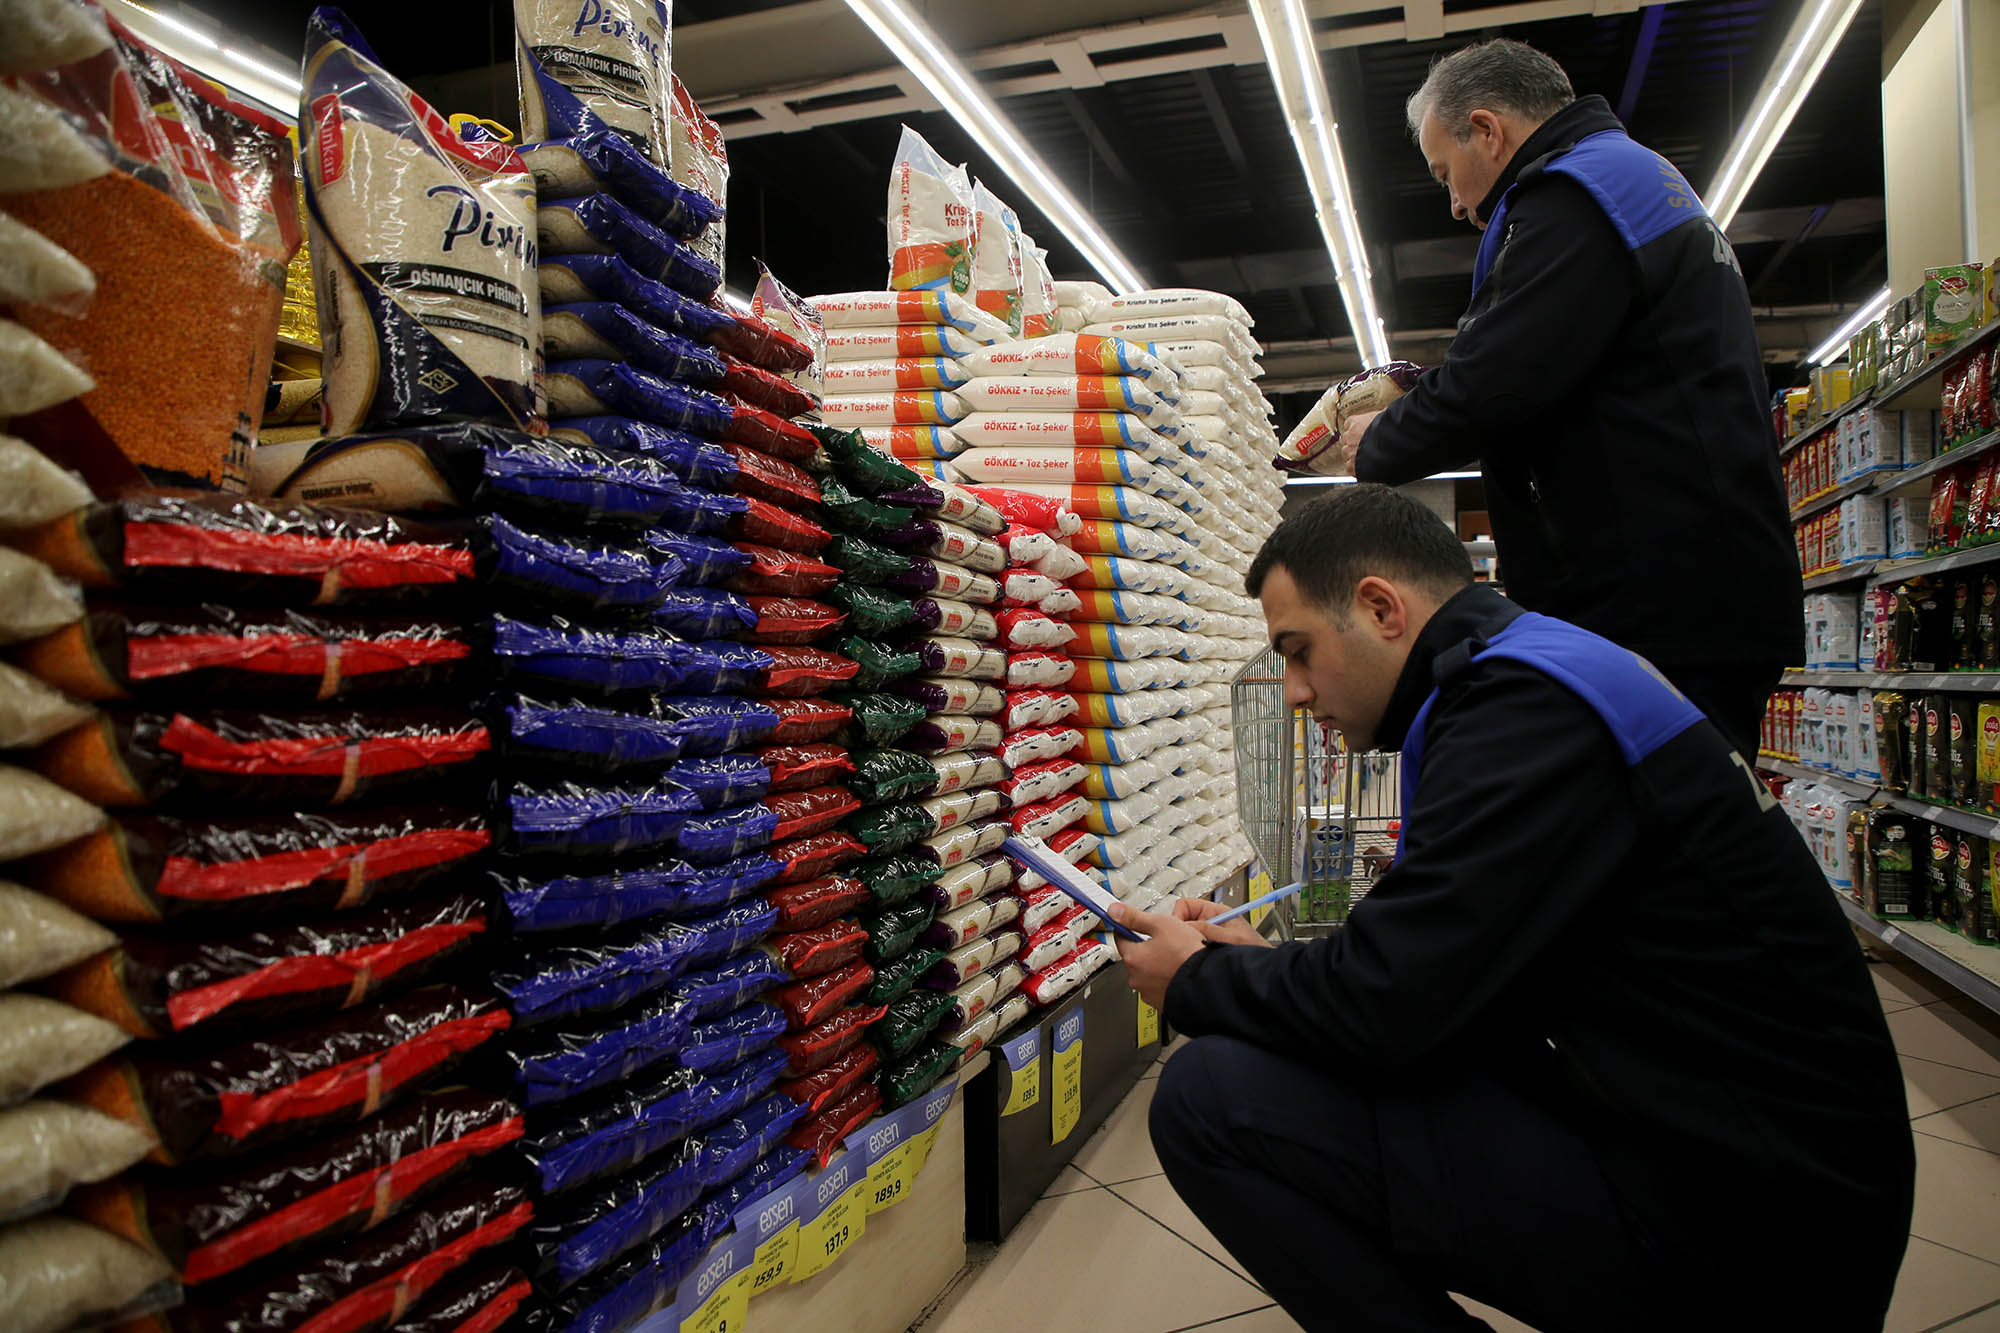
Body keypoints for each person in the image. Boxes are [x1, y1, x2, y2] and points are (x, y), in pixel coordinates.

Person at [1109, 485, 1912, 1333]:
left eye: (1299, 651)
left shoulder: (1520, 712)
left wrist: (1201, 979)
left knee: (1212, 1099)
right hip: (1717, 1148)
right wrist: (1254, 965)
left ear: (1381, 607)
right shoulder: (1533, 673)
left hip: (1759, 1234)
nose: (1298, 692)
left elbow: (1389, 1000)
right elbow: (1438, 971)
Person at [1333, 38, 1802, 757]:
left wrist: (1381, 442)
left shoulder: (1575, 196)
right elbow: (1563, 364)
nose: (1456, 203)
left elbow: (1498, 382)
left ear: (1487, 131)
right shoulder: (1630, 181)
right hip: (1702, 590)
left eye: (1445, 172)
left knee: (1655, 834)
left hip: (1659, 605)